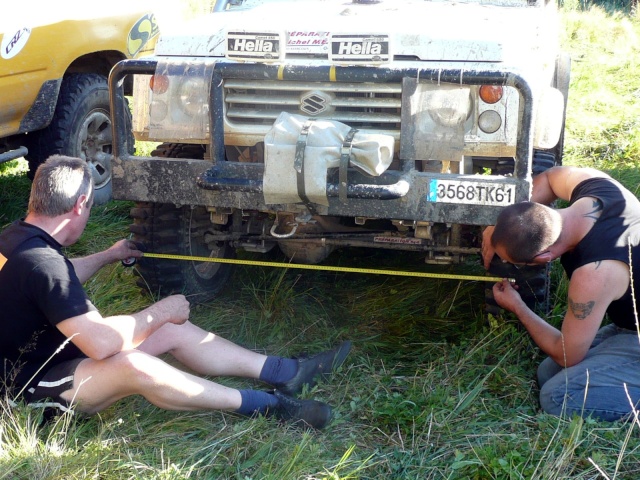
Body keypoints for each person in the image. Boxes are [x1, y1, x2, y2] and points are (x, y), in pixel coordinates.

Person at [0, 155, 352, 429]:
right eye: (90, 208)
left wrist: (110, 255)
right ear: (79, 205)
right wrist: (159, 311)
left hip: (48, 357)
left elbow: (54, 279)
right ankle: (266, 405)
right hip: (30, 385)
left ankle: (285, 372)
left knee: (167, 330)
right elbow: (101, 343)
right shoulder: (44, 264)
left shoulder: (17, 238)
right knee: (134, 364)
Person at [482, 165, 640, 421]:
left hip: (635, 335)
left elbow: (567, 354)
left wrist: (519, 307)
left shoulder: (594, 274)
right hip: (628, 325)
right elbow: (548, 178)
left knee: (557, 396)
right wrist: (499, 227)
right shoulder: (598, 187)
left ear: (545, 257)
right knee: (547, 373)